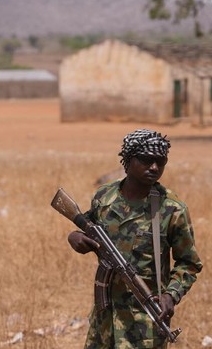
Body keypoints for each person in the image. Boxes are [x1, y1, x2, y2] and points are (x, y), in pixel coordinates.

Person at [67, 129, 203, 349]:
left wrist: (171, 295)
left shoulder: (172, 209)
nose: (154, 168)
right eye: (147, 160)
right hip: (104, 321)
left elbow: (189, 264)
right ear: (128, 160)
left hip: (145, 325)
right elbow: (85, 226)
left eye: (161, 162)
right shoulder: (105, 198)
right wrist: (74, 237)